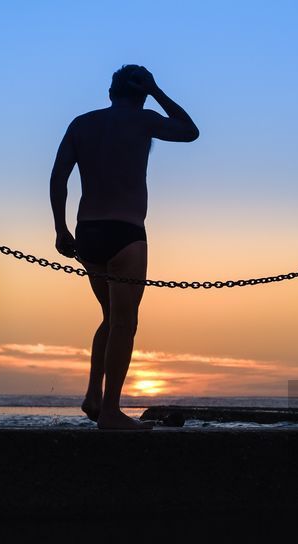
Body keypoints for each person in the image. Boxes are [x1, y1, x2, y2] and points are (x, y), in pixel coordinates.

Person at [50, 65, 199, 430]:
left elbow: (58, 178)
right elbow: (190, 131)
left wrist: (61, 229)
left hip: (88, 232)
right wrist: (159, 90)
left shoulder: (81, 124)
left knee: (109, 317)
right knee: (124, 322)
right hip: (126, 233)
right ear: (142, 93)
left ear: (110, 91)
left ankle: (93, 396)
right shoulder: (145, 120)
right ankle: (111, 411)